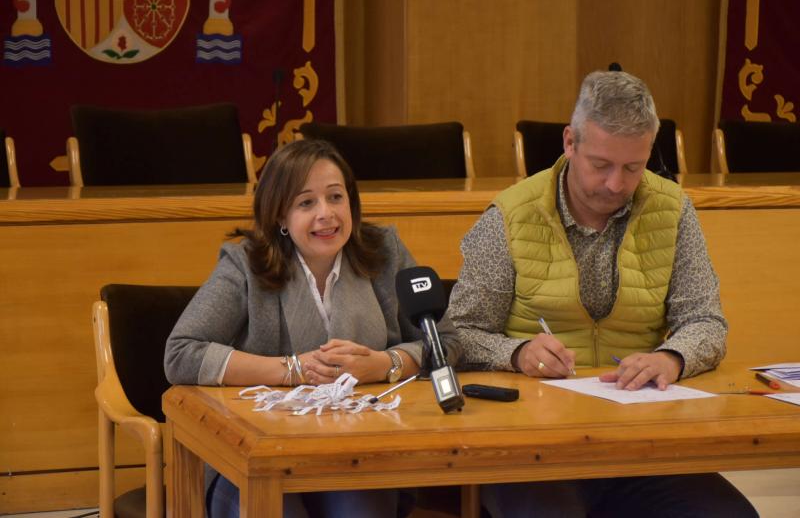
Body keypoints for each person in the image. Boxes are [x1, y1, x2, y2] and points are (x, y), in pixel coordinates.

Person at [448, 71, 757, 517]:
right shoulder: (511, 215)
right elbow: (459, 333)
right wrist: (517, 353)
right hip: (529, 447)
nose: (616, 184)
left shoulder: (672, 210)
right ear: (569, 142)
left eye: (633, 168)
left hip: (639, 442)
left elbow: (706, 321)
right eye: (601, 165)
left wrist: (671, 357)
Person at [164, 139, 461, 518]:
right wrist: (292, 369)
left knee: (361, 508)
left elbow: (445, 340)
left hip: (358, 455)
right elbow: (180, 353)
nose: (327, 214)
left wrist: (386, 364)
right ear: (279, 217)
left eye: (336, 197)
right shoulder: (246, 264)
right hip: (257, 456)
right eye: (306, 203)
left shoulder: (384, 251)